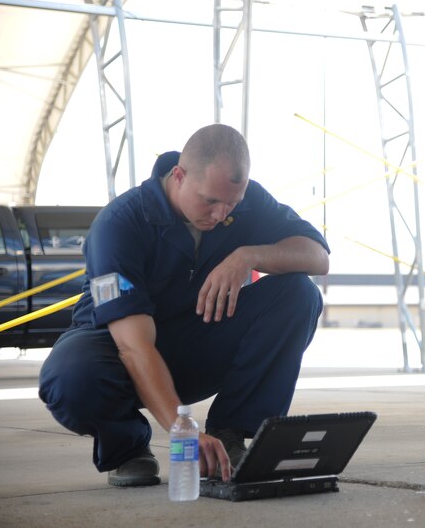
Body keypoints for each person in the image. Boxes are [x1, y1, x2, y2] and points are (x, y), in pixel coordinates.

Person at [38, 124, 330, 487]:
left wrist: (248, 255)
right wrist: (181, 429)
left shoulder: (246, 200)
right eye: (210, 201)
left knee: (298, 294)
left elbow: (318, 257)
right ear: (179, 175)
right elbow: (133, 346)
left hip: (195, 341)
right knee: (69, 377)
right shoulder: (119, 225)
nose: (221, 213)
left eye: (231, 204)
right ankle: (127, 448)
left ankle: (229, 434)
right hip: (117, 349)